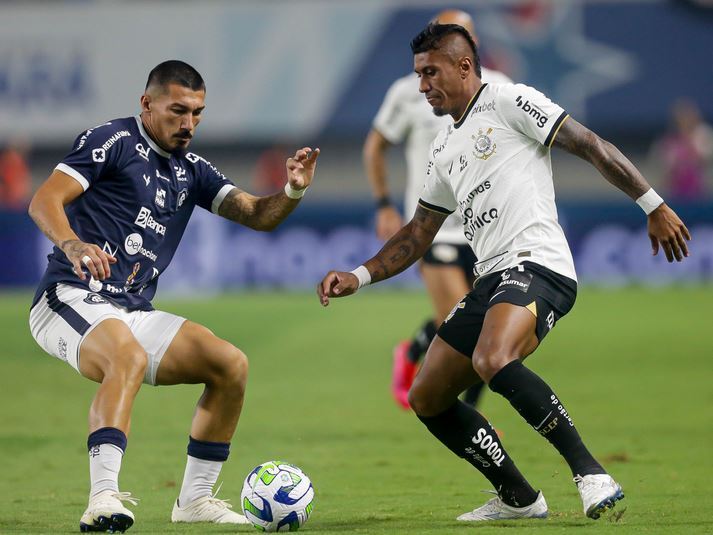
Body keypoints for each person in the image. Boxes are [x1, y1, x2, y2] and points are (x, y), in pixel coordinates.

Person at [318, 24, 690, 522]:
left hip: (539, 264)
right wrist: (358, 276)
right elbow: (417, 234)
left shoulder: (511, 101)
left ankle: (590, 472)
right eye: (417, 75)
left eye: (430, 73)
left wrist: (653, 204)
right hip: (491, 278)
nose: (421, 85)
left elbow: (591, 144)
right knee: (427, 396)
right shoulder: (444, 149)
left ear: (464, 66)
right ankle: (518, 497)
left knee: (494, 357)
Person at [28, 60, 319, 533]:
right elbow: (44, 200)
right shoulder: (113, 142)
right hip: (70, 296)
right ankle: (102, 498)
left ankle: (195, 500)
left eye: (198, 114)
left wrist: (292, 190)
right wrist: (73, 244)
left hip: (129, 308)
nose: (188, 125)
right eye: (178, 110)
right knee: (125, 356)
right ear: (147, 104)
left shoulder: (193, 170)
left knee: (229, 365)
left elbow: (258, 215)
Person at [364, 9, 512, 410]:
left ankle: (414, 352)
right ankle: (467, 417)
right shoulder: (408, 91)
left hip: (487, 232)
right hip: (435, 228)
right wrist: (384, 204)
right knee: (465, 323)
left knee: (482, 326)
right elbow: (375, 145)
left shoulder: (500, 88)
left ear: (472, 45)